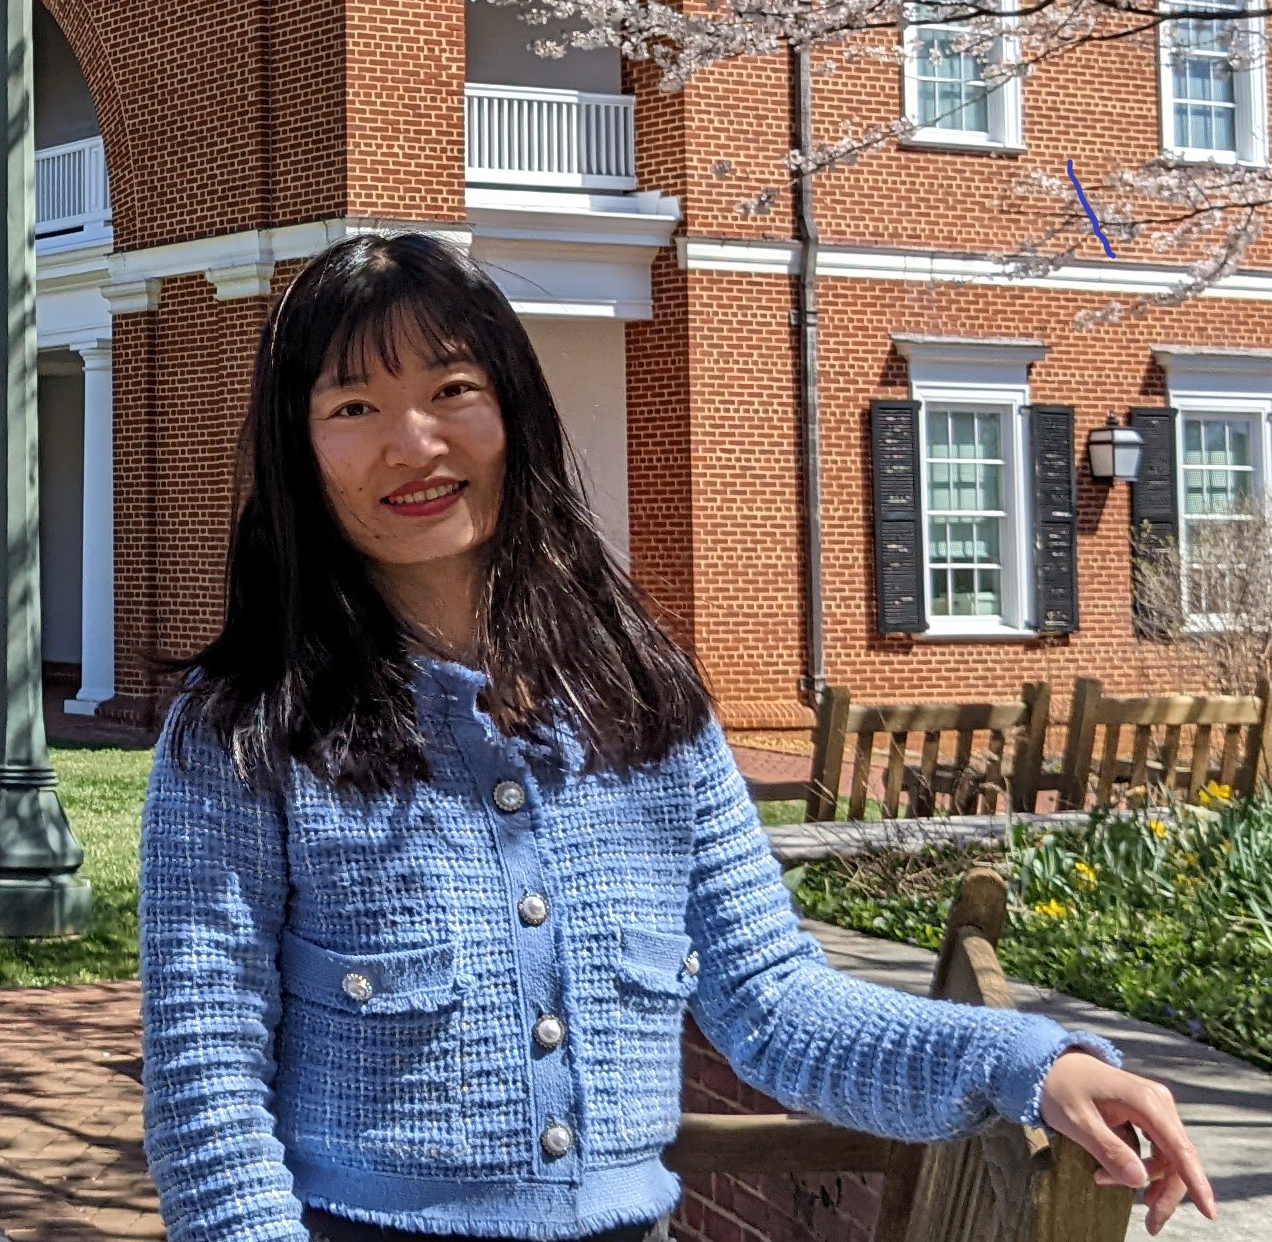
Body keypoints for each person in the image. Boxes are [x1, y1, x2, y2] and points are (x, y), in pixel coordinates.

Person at [140, 233, 1215, 1242]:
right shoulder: (246, 729)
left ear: (510, 405)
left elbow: (776, 1005)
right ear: (299, 445)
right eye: (354, 403)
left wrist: (1031, 1060)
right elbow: (206, 1082)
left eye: (451, 389)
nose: (412, 441)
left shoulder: (641, 700)